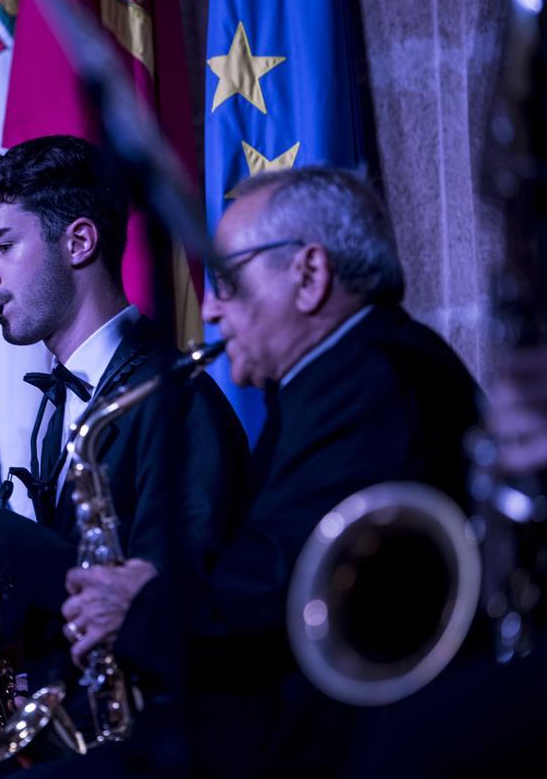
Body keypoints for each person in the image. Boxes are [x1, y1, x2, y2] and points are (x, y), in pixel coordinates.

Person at [61, 166, 483, 776]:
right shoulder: (349, 369)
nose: (208, 311)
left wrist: (141, 603)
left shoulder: (365, 377)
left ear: (309, 275)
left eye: (227, 282)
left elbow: (275, 594)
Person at [0, 134, 248, 768]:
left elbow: (178, 595)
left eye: (3, 246)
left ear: (79, 242)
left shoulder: (176, 400)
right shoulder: (54, 405)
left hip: (153, 744)